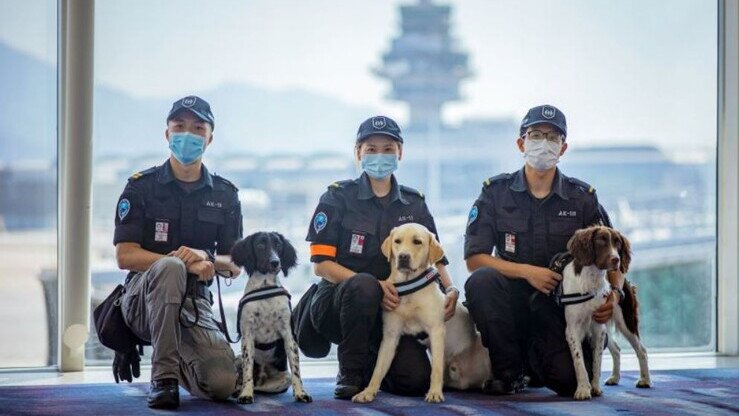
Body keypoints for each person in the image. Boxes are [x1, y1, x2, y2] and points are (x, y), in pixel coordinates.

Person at [463, 104, 624, 396]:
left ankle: (535, 365)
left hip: (560, 307)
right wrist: (528, 273)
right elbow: (475, 259)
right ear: (521, 143)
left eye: (553, 137)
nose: (544, 143)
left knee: (569, 382)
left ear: (563, 148)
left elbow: (615, 255)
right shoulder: (495, 193)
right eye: (536, 134)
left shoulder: (581, 198)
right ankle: (508, 371)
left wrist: (613, 296)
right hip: (510, 300)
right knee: (481, 282)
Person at [303, 116, 460, 399]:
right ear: (358, 153)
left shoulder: (415, 203)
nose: (380, 156)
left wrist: (449, 289)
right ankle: (350, 371)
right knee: (363, 285)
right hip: (340, 303)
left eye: (388, 149)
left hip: (393, 307)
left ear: (400, 153)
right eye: (371, 149)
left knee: (414, 381)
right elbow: (320, 265)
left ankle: (372, 366)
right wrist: (375, 286)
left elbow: (436, 255)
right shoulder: (337, 198)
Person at [113, 95, 243, 409]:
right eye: (179, 126)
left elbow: (234, 264)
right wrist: (180, 263)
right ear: (167, 134)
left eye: (198, 128)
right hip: (142, 301)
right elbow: (125, 255)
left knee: (223, 384)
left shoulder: (225, 195)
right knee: (171, 267)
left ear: (210, 138)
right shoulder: (140, 187)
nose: (188, 134)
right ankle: (164, 379)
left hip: (192, 305)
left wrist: (206, 259)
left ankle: (185, 356)